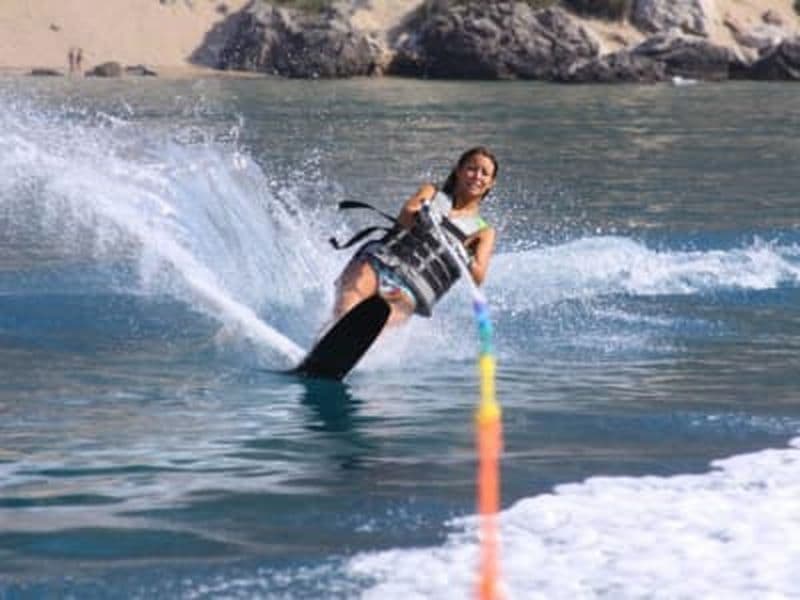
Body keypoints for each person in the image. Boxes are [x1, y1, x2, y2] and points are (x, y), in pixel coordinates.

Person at [333, 146, 498, 326]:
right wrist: (420, 214)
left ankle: (354, 345)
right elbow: (405, 216)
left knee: (378, 322)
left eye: (484, 173)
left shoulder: (483, 232)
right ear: (458, 171)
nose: (477, 176)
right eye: (471, 169)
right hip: (381, 262)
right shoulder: (432, 193)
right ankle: (328, 340)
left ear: (490, 183)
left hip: (412, 289)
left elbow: (478, 278)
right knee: (347, 306)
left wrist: (465, 255)